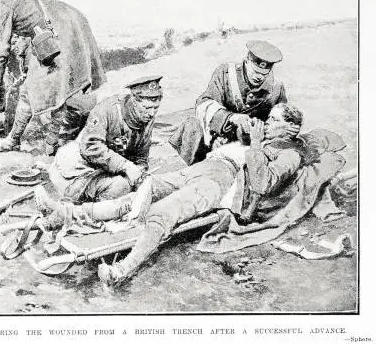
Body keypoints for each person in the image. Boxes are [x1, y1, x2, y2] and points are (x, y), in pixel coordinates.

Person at [55, 103, 306, 286]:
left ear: (291, 128)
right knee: (144, 192)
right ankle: (66, 215)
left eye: (274, 120)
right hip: (203, 169)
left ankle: (122, 269)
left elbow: (263, 184)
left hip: (220, 181)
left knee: (164, 212)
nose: (267, 122)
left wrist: (253, 144)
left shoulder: (289, 153)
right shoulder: (263, 140)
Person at [0, 0, 105, 156]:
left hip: (59, 35)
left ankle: (20, 142)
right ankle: (47, 144)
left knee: (41, 91)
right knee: (56, 91)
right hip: (67, 28)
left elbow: (1, 50)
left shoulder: (0, 6)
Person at [169, 41, 292, 166]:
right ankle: (192, 168)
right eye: (255, 72)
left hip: (248, 141)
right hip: (215, 136)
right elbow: (204, 102)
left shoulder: (276, 88)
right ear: (246, 61)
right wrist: (232, 117)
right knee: (191, 126)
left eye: (263, 74)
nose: (259, 77)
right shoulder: (225, 73)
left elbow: (283, 117)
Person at [46, 76, 163, 204]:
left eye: (155, 108)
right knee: (121, 187)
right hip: (80, 167)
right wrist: (126, 166)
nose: (152, 113)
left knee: (137, 187)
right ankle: (82, 209)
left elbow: (141, 155)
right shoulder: (107, 109)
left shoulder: (146, 119)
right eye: (147, 108)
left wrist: (140, 173)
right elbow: (90, 147)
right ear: (134, 101)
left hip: (108, 168)